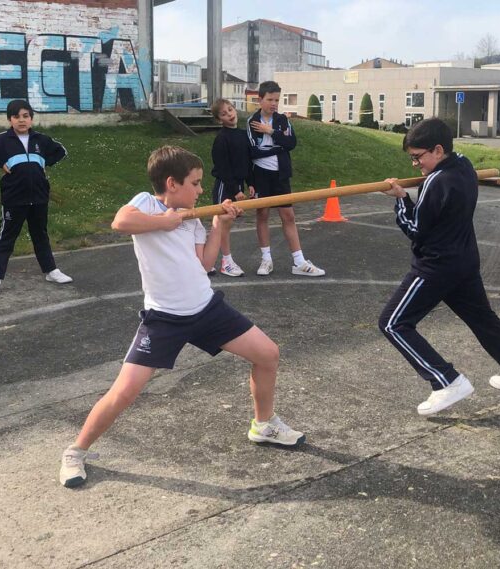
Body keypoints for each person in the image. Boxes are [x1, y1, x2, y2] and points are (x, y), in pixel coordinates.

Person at [59, 146, 305, 488]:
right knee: (126, 390)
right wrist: (164, 220)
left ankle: (263, 425)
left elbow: (205, 263)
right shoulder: (146, 202)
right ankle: (76, 451)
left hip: (206, 308)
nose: (201, 190)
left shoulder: (193, 217)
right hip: (164, 318)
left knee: (268, 354)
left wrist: (219, 224)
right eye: (195, 183)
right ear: (172, 184)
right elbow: (120, 222)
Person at [378, 118, 500, 415]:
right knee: (485, 322)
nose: (415, 165)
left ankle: (447, 381)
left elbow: (415, 229)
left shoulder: (435, 182)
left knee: (393, 323)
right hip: (463, 261)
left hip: (435, 267)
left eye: (418, 157)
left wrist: (401, 199)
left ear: (438, 150)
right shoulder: (464, 166)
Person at [0, 99, 73, 295]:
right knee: (6, 239)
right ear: (10, 120)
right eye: (16, 117)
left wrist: (44, 162)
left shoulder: (41, 140)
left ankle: (51, 270)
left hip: (39, 197)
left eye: (25, 116)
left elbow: (61, 151)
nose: (21, 120)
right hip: (14, 199)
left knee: (40, 236)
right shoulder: (1, 140)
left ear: (31, 119)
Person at [247, 81, 325, 277]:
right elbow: (252, 151)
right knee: (262, 214)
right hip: (260, 175)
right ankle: (266, 260)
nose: (274, 104)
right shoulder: (252, 122)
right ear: (260, 100)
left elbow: (291, 143)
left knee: (288, 216)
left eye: (277, 100)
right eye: (270, 100)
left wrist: (271, 132)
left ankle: (299, 261)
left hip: (280, 175)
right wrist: (277, 146)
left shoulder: (282, 120)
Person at [210, 97, 252, 277]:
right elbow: (223, 168)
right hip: (225, 186)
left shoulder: (243, 135)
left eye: (230, 109)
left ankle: (207, 261)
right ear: (219, 119)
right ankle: (225, 262)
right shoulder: (221, 139)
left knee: (224, 224)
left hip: (238, 186)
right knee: (222, 224)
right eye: (224, 114)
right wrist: (236, 190)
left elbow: (247, 162)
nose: (229, 114)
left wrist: (251, 184)